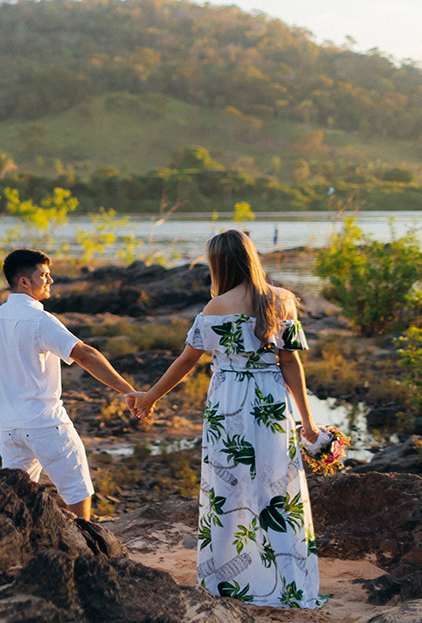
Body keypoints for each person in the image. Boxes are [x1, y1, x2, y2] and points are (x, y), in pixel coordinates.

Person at [127, 230, 324, 609]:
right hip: (270, 405)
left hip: (229, 402)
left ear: (219, 263)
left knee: (227, 491)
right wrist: (308, 423)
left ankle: (231, 582)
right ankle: (288, 583)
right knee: (276, 491)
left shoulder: (216, 307)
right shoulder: (282, 301)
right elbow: (290, 364)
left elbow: (187, 361)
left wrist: (150, 397)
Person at [0, 248, 138, 521]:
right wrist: (128, 390)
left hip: (10, 428)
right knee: (77, 492)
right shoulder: (40, 320)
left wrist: (5, 413)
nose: (50, 280)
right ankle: (82, 551)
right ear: (24, 282)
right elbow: (85, 354)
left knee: (17, 495)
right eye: (44, 275)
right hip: (45, 424)